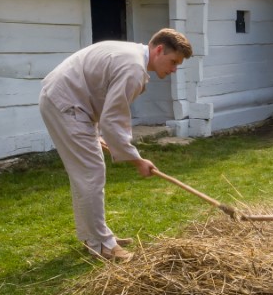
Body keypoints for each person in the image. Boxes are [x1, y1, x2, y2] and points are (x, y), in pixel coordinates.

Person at [39, 28, 193, 261]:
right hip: (67, 104)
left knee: (86, 174)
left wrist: (97, 132)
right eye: (173, 62)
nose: (173, 70)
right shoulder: (133, 68)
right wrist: (136, 159)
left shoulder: (131, 56)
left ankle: (94, 237)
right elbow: (114, 119)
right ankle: (103, 244)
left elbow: (101, 94)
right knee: (91, 174)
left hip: (64, 100)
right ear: (159, 49)